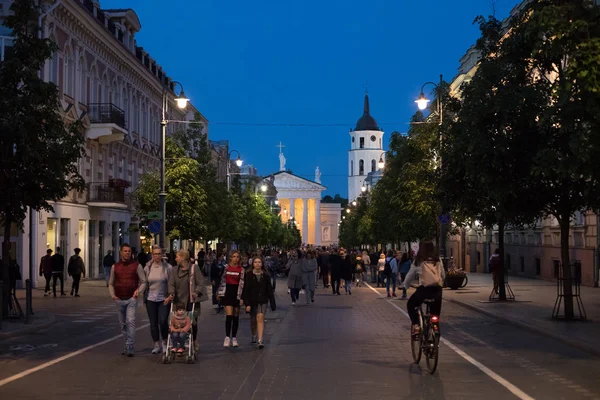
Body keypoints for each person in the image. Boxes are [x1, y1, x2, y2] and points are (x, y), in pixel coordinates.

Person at [109, 243, 147, 356]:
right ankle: (126, 344)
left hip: (131, 298)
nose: (127, 253)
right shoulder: (115, 267)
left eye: (129, 251)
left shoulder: (137, 266)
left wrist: (138, 291)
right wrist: (112, 295)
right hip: (119, 298)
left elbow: (144, 281)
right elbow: (111, 283)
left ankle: (130, 346)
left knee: (130, 322)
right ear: (121, 252)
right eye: (125, 251)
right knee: (123, 324)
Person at [401, 241, 446, 337]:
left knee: (411, 304)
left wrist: (405, 285)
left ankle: (416, 325)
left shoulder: (419, 261)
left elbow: (410, 275)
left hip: (424, 290)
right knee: (435, 314)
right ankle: (435, 328)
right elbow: (443, 274)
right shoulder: (438, 260)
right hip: (437, 291)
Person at [166, 249, 205, 351]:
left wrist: (196, 292)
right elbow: (171, 283)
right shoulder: (174, 270)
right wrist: (171, 293)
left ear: (183, 258)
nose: (175, 258)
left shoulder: (194, 268)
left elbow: (200, 282)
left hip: (191, 300)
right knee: (177, 321)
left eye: (177, 256)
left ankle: (193, 340)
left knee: (192, 321)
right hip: (178, 301)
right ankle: (178, 342)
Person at [242, 256, 276, 348]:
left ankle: (260, 340)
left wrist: (272, 302)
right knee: (253, 320)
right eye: (255, 262)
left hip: (263, 300)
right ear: (252, 264)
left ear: (262, 264)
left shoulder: (265, 275)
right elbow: (246, 290)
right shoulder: (248, 275)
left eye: (259, 262)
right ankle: (254, 335)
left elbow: (269, 289)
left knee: (260, 318)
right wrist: (247, 303)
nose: (257, 264)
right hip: (252, 301)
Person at [144, 245, 171, 354]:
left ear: (162, 255)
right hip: (151, 299)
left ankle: (165, 342)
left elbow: (171, 283)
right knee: (153, 323)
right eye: (155, 254)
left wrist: (170, 296)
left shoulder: (167, 267)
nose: (157, 256)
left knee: (163, 321)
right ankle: (156, 344)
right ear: (152, 255)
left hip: (163, 299)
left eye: (159, 254)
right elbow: (144, 282)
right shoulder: (148, 267)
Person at [217, 250, 245, 348]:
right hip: (227, 292)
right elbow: (221, 280)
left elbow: (242, 283)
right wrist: (219, 293)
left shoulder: (241, 269)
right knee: (229, 315)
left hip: (237, 292)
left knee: (236, 316)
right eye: (234, 256)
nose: (236, 259)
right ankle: (227, 337)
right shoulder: (226, 268)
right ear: (230, 258)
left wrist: (242, 297)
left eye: (237, 257)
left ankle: (234, 337)